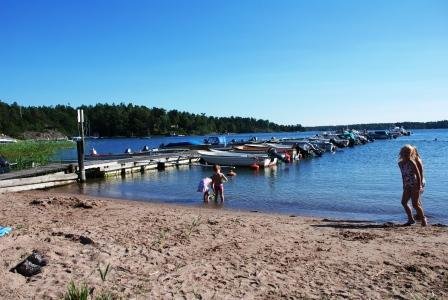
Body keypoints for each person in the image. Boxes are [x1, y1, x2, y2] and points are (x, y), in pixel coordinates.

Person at [398, 145, 427, 226]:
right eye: (405, 152)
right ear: (401, 153)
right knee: (403, 202)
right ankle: (411, 219)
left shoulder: (411, 162)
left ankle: (423, 219)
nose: (406, 154)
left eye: (408, 153)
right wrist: (403, 184)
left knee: (415, 204)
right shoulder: (400, 163)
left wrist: (419, 185)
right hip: (407, 185)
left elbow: (418, 174)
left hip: (415, 184)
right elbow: (403, 175)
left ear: (411, 153)